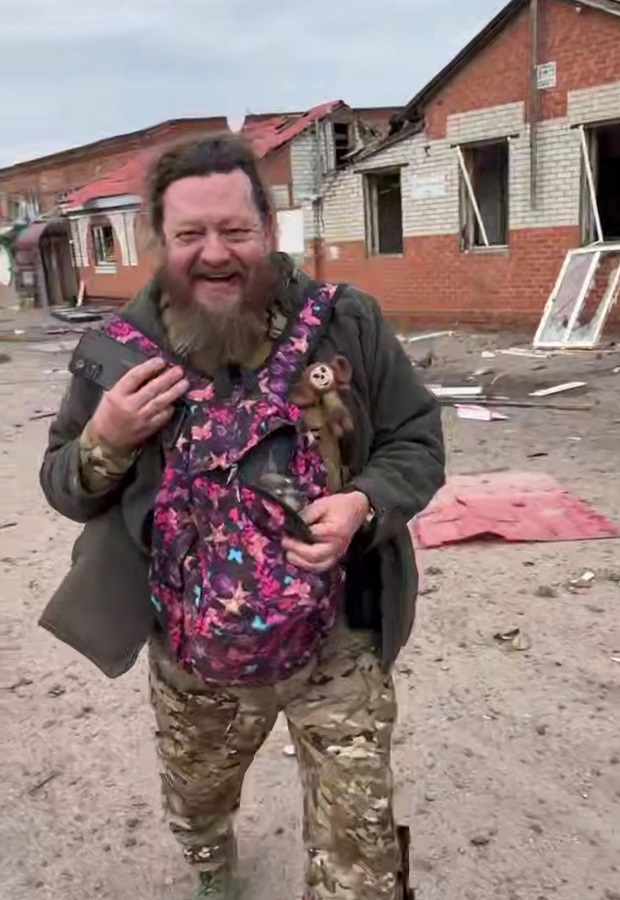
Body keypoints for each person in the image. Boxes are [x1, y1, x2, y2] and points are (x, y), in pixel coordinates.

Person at [39, 133, 445, 900]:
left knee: (363, 855)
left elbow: (416, 441)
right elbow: (63, 486)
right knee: (197, 802)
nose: (215, 253)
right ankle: (211, 868)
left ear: (269, 226)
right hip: (192, 651)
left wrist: (364, 505)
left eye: (235, 230)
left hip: (337, 637)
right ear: (160, 239)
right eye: (190, 234)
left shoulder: (346, 322)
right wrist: (106, 439)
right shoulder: (122, 350)